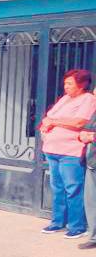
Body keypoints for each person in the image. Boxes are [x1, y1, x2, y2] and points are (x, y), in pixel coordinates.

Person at [39, 69, 96, 238]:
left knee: (73, 188)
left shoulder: (87, 99)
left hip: (70, 151)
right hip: (52, 149)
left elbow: (79, 122)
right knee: (57, 188)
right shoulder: (65, 99)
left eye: (70, 83)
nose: (66, 86)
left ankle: (77, 226)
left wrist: (54, 122)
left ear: (82, 84)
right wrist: (47, 123)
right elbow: (48, 117)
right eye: (65, 83)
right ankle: (57, 222)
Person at [80, 109, 96, 250]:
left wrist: (92, 136)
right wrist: (84, 135)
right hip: (92, 162)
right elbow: (84, 132)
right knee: (91, 202)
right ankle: (94, 237)